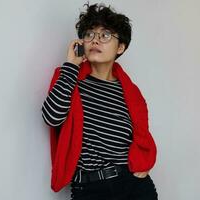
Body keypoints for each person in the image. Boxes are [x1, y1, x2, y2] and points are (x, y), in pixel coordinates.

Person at [41, 3, 158, 200]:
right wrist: (71, 65)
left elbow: (142, 137)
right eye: (89, 34)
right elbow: (51, 117)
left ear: (120, 46)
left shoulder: (131, 92)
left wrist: (143, 163)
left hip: (133, 186)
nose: (95, 40)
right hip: (90, 189)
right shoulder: (69, 78)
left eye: (105, 35)